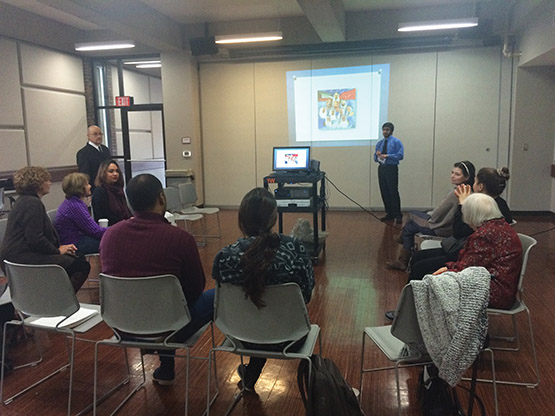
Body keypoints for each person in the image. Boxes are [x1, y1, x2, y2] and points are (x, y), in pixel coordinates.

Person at [100, 173, 214, 385]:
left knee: (160, 303)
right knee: (215, 295)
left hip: (122, 325)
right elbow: (195, 289)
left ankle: (166, 369)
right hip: (170, 326)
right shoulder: (181, 238)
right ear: (162, 198)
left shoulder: (109, 235)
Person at [212, 187, 314, 391]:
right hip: (289, 336)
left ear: (241, 219)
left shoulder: (225, 257)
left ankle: (250, 375)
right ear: (274, 218)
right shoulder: (294, 249)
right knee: (268, 319)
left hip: (240, 336)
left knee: (258, 319)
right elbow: (306, 295)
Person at [408, 167, 513, 281]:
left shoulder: (483, 207)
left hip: (473, 257)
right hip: (469, 250)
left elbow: (458, 232)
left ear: (480, 186)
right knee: (417, 258)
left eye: (475, 181)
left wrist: (462, 204)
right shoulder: (501, 204)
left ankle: (415, 296)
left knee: (419, 266)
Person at [0, 167, 89, 292]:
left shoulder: (23, 201)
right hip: (23, 258)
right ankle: (59, 301)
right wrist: (57, 251)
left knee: (76, 258)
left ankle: (52, 296)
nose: (50, 183)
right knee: (80, 265)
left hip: (16, 256)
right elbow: (35, 238)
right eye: (47, 180)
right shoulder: (32, 204)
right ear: (38, 184)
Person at [432, 193, 522, 309]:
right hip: (504, 288)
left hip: (494, 292)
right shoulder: (500, 225)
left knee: (429, 278)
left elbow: (466, 269)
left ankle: (423, 321)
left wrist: (447, 269)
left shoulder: (485, 235)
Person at [386, 161, 475, 271]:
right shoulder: (468, 191)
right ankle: (402, 258)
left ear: (466, 177)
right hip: (448, 226)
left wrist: (428, 215)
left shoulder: (456, 192)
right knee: (410, 226)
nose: (452, 176)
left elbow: (438, 213)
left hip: (441, 227)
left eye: (457, 174)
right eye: (452, 172)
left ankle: (401, 247)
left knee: (410, 216)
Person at [55, 173, 106, 255]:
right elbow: (95, 231)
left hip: (76, 240)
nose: (90, 186)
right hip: (75, 243)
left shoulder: (72, 202)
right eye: (87, 184)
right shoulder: (75, 206)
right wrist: (117, 229)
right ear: (80, 188)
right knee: (111, 242)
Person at [374, 122, 404, 224]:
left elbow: (400, 156)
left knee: (393, 191)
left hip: (391, 168)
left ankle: (398, 215)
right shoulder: (379, 143)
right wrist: (378, 156)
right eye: (383, 130)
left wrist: (387, 156)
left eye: (387, 130)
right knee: (384, 191)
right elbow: (375, 158)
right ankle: (389, 213)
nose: (385, 132)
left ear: (391, 131)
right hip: (382, 168)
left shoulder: (396, 142)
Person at [91, 159, 131, 226]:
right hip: (110, 227)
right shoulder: (100, 192)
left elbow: (126, 211)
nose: (115, 174)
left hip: (124, 224)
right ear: (103, 173)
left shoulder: (118, 189)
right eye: (111, 171)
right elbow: (103, 216)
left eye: (117, 171)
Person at [76, 125, 111, 190]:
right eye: (95, 134)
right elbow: (84, 174)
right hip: (94, 188)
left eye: (100, 134)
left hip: (108, 186)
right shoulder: (83, 153)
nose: (99, 136)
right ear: (88, 136)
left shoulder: (105, 150)